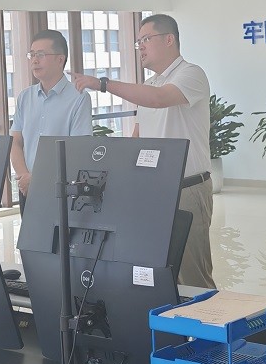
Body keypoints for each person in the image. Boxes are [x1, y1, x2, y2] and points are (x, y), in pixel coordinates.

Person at [72, 14, 215, 289]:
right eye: (138, 42)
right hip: (153, 192)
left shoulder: (191, 74)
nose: (140, 47)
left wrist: (102, 84)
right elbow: (138, 138)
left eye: (146, 40)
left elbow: (160, 100)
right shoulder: (149, 85)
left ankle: (207, 317)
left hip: (187, 189)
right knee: (159, 270)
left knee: (193, 277)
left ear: (169, 39)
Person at [10, 30, 92, 214]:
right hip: (27, 189)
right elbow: (16, 142)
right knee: (28, 234)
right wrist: (24, 176)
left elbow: (78, 149)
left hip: (60, 191)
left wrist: (38, 180)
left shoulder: (79, 98)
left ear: (60, 59)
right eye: (32, 54)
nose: (34, 60)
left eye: (41, 54)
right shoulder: (25, 97)